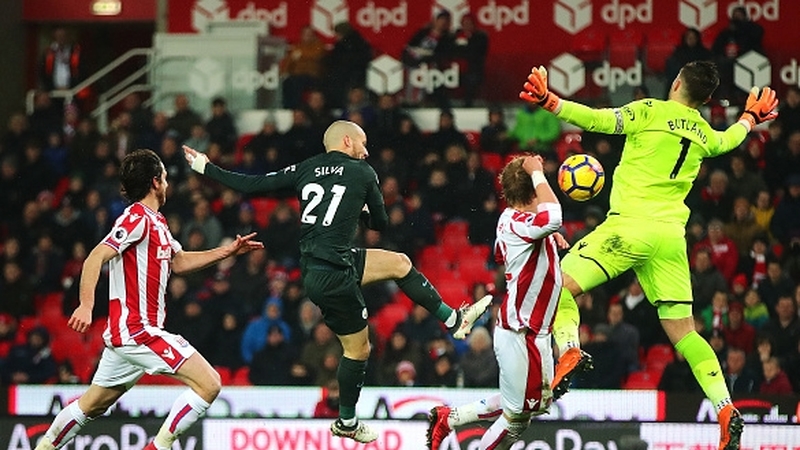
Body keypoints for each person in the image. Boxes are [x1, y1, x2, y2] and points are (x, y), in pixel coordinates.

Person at [518, 60, 779, 449]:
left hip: (628, 228)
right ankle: (725, 408)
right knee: (685, 332)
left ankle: (569, 349)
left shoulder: (649, 111)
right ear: (704, 99)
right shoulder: (704, 132)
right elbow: (730, 140)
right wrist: (749, 118)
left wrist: (550, 101)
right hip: (670, 239)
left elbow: (596, 120)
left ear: (675, 83)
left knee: (555, 287)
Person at [184, 120, 490, 443]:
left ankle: (453, 319)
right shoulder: (363, 172)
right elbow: (381, 223)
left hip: (322, 266)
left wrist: (206, 167)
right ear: (346, 141)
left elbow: (252, 185)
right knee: (358, 350)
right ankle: (346, 421)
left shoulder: (306, 168)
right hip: (335, 275)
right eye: (363, 142)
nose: (366, 150)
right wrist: (363, 209)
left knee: (400, 263)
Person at [33, 149, 263, 450]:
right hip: (137, 331)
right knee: (210, 384)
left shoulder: (157, 222)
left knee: (91, 405)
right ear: (155, 182)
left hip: (130, 335)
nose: (167, 183)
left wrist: (228, 251)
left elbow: (179, 261)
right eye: (164, 178)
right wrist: (86, 305)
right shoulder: (136, 218)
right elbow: (95, 257)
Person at [427, 155, 567, 449]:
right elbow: (553, 218)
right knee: (517, 417)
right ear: (533, 190)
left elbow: (507, 253)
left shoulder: (511, 220)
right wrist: (538, 173)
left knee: (534, 403)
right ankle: (453, 421)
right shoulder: (517, 222)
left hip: (529, 331)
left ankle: (450, 418)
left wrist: (547, 239)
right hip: (522, 332)